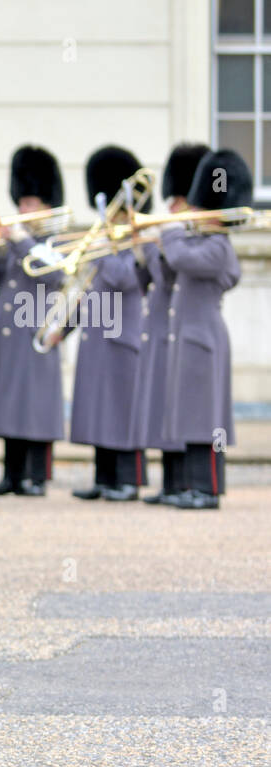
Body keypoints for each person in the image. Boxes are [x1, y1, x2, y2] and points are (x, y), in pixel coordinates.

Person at [156, 148, 249, 509]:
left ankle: (207, 489)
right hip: (189, 338)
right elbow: (169, 271)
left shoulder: (218, 246)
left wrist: (169, 234)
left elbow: (181, 259)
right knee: (191, 416)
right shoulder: (198, 242)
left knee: (208, 421)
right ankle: (193, 486)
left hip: (204, 339)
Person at [0, 145, 66, 496]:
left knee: (36, 405)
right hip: (8, 334)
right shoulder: (13, 241)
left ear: (47, 206)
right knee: (9, 405)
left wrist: (23, 242)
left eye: (31, 204)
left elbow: (55, 277)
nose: (24, 210)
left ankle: (37, 476)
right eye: (22, 203)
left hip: (37, 332)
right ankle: (11, 475)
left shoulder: (54, 240)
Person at [69, 145, 149, 502]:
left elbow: (125, 279)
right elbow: (88, 285)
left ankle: (129, 480)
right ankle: (105, 479)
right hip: (98, 331)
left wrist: (106, 247)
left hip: (123, 333)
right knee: (100, 407)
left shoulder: (135, 236)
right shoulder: (105, 237)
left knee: (123, 409)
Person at [137, 143, 209, 505]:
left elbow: (182, 265)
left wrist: (164, 241)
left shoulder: (203, 238)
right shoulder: (178, 234)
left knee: (188, 409)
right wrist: (147, 249)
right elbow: (160, 279)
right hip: (167, 327)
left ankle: (189, 484)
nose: (170, 207)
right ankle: (171, 482)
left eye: (178, 200)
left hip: (189, 332)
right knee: (165, 406)